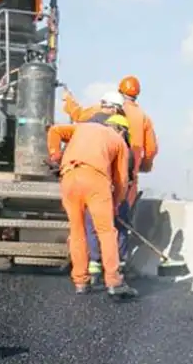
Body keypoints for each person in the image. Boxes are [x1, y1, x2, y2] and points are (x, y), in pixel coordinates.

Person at [63, 77, 159, 279]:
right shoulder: (143, 117)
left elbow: (79, 116)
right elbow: (150, 151)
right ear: (137, 94)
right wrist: (143, 168)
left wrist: (68, 102)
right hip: (126, 176)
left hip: (101, 174)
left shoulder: (103, 109)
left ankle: (95, 262)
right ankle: (119, 263)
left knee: (94, 219)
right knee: (120, 217)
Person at [46, 115, 138, 299]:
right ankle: (113, 281)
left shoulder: (82, 127)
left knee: (77, 231)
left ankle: (81, 281)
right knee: (106, 231)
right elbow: (120, 180)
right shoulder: (118, 141)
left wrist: (55, 155)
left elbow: (54, 130)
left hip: (69, 177)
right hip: (95, 179)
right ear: (121, 130)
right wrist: (115, 204)